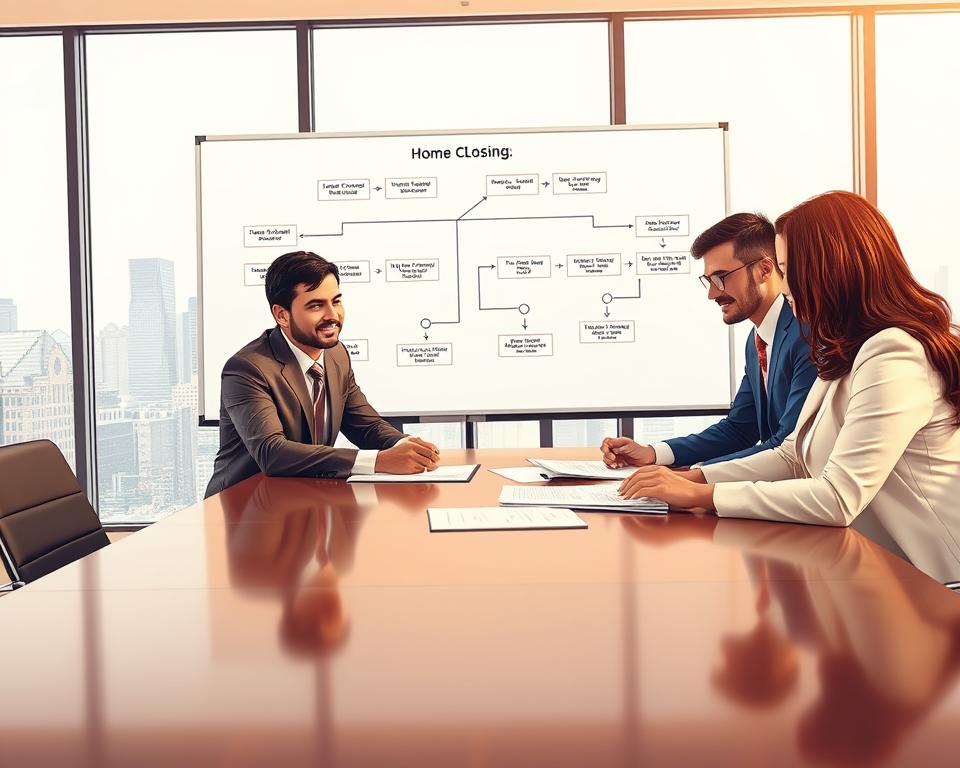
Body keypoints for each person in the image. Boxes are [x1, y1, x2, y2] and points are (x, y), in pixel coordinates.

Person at [619, 191, 960, 583]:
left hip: (937, 584)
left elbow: (837, 497)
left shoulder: (894, 353)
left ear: (832, 270)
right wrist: (692, 478)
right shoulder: (846, 348)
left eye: (789, 269)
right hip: (882, 571)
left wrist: (703, 496)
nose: (785, 286)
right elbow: (794, 456)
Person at [205, 251, 439, 497]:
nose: (332, 316)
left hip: (303, 501)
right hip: (243, 511)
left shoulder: (336, 355)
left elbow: (365, 425)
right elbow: (272, 453)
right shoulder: (247, 368)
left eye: (336, 301)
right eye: (316, 305)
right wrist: (379, 461)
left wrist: (405, 446)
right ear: (282, 315)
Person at [601, 212, 816, 469]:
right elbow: (740, 429)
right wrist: (652, 453)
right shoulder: (757, 340)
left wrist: (695, 476)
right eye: (709, 281)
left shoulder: (806, 334)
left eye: (720, 277)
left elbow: (788, 445)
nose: (713, 293)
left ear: (764, 270)